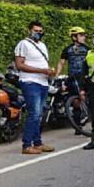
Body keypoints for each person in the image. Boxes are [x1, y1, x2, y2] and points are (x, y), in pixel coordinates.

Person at [14, 20, 56, 154]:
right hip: (30, 82)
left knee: (39, 114)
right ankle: (26, 145)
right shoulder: (23, 44)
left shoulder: (42, 45)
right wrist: (41, 71)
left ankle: (37, 143)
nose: (38, 33)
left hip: (43, 82)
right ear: (29, 31)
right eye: (35, 30)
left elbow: (41, 63)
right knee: (34, 113)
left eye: (40, 31)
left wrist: (48, 71)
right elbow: (19, 65)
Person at [55, 26, 89, 135]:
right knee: (75, 102)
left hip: (84, 77)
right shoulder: (67, 49)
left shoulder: (87, 49)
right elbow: (61, 63)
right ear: (74, 37)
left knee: (86, 96)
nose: (84, 37)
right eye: (81, 35)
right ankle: (77, 125)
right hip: (72, 77)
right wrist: (57, 75)